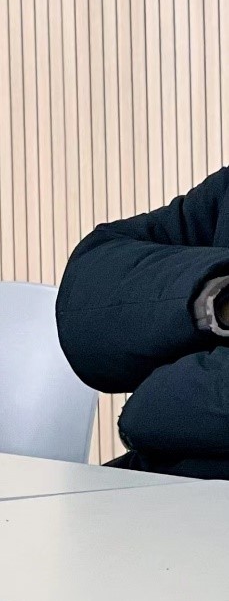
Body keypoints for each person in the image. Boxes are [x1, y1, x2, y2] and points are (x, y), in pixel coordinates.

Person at [57, 165, 229, 477]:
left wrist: (155, 396)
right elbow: (88, 294)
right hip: (158, 481)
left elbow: (156, 413)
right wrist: (216, 297)